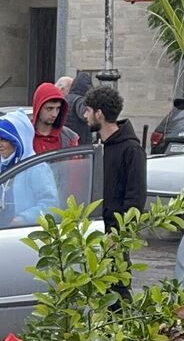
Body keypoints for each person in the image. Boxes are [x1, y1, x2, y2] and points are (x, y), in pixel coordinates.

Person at [84, 84, 146, 231]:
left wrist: (119, 234)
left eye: (88, 110)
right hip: (93, 230)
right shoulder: (97, 146)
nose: (85, 116)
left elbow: (135, 199)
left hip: (115, 238)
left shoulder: (132, 150)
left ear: (99, 114)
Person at [0, 110, 60, 227]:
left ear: (18, 141)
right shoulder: (0, 163)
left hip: (23, 233)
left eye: (4, 139)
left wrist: (22, 220)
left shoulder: (37, 167)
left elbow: (50, 205)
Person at [29, 81, 80, 156]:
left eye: (58, 109)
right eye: (49, 109)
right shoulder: (24, 134)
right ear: (38, 108)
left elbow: (76, 166)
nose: (54, 114)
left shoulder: (69, 137)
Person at [63, 71, 95, 144]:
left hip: (67, 141)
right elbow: (85, 116)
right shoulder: (80, 100)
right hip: (80, 142)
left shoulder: (66, 98)